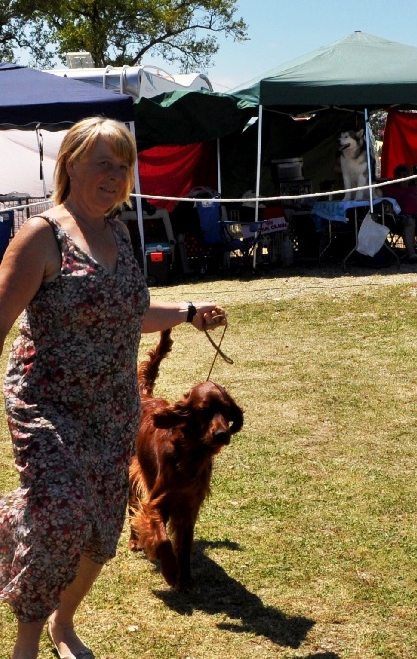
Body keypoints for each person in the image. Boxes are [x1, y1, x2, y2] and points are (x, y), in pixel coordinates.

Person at [0, 117, 228, 659]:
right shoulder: (42, 234)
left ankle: (64, 626)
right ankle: (27, 642)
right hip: (48, 403)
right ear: (70, 163)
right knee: (59, 518)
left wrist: (188, 313)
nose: (115, 174)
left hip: (113, 410)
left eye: (123, 165)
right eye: (102, 161)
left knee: (102, 535)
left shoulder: (119, 234)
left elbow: (130, 310)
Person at [381, 164, 417, 262]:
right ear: (396, 177)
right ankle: (411, 254)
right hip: (400, 218)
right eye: (400, 175)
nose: (403, 178)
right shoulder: (390, 189)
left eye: (405, 175)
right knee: (409, 222)